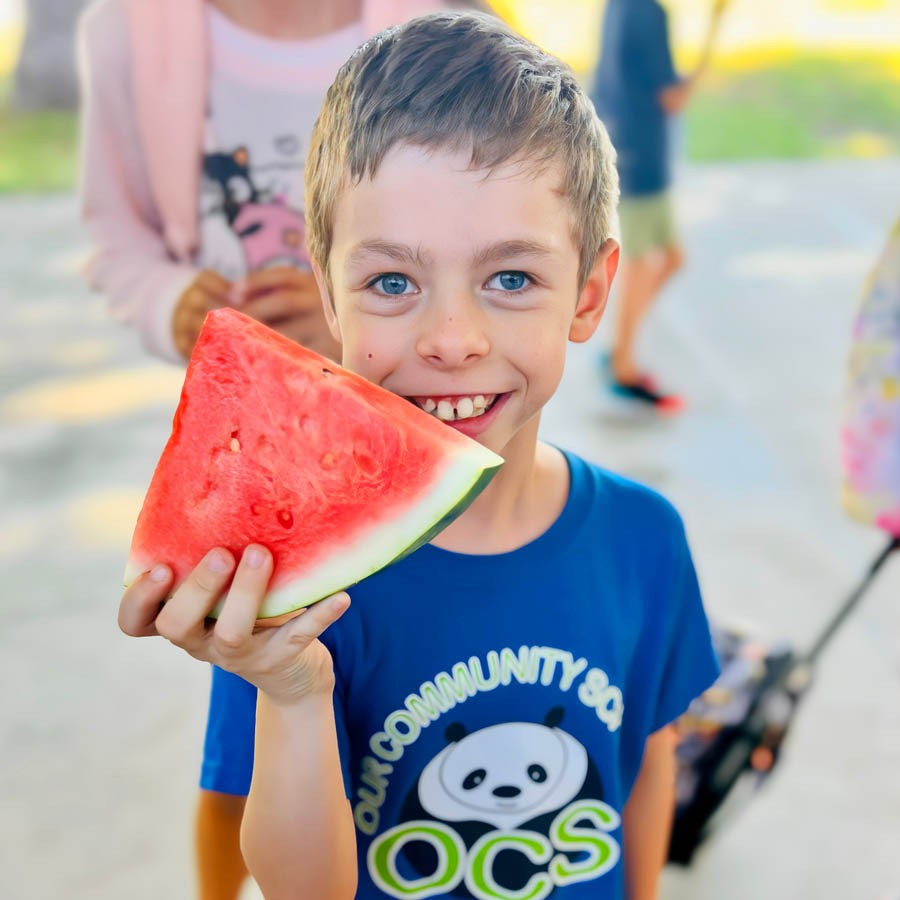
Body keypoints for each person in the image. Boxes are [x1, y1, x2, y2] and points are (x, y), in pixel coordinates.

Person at [118, 12, 720, 900]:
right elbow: (302, 889)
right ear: (330, 293)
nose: (451, 339)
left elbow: (648, 758)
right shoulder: (288, 585)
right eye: (392, 281)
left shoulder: (647, 541)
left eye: (510, 278)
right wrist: (289, 691)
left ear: (589, 294)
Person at [591, 0, 728, 412]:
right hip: (640, 154)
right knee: (643, 260)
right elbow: (673, 98)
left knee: (669, 257)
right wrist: (713, 29)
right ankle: (622, 364)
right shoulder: (649, 12)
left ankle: (620, 350)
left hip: (623, 142)